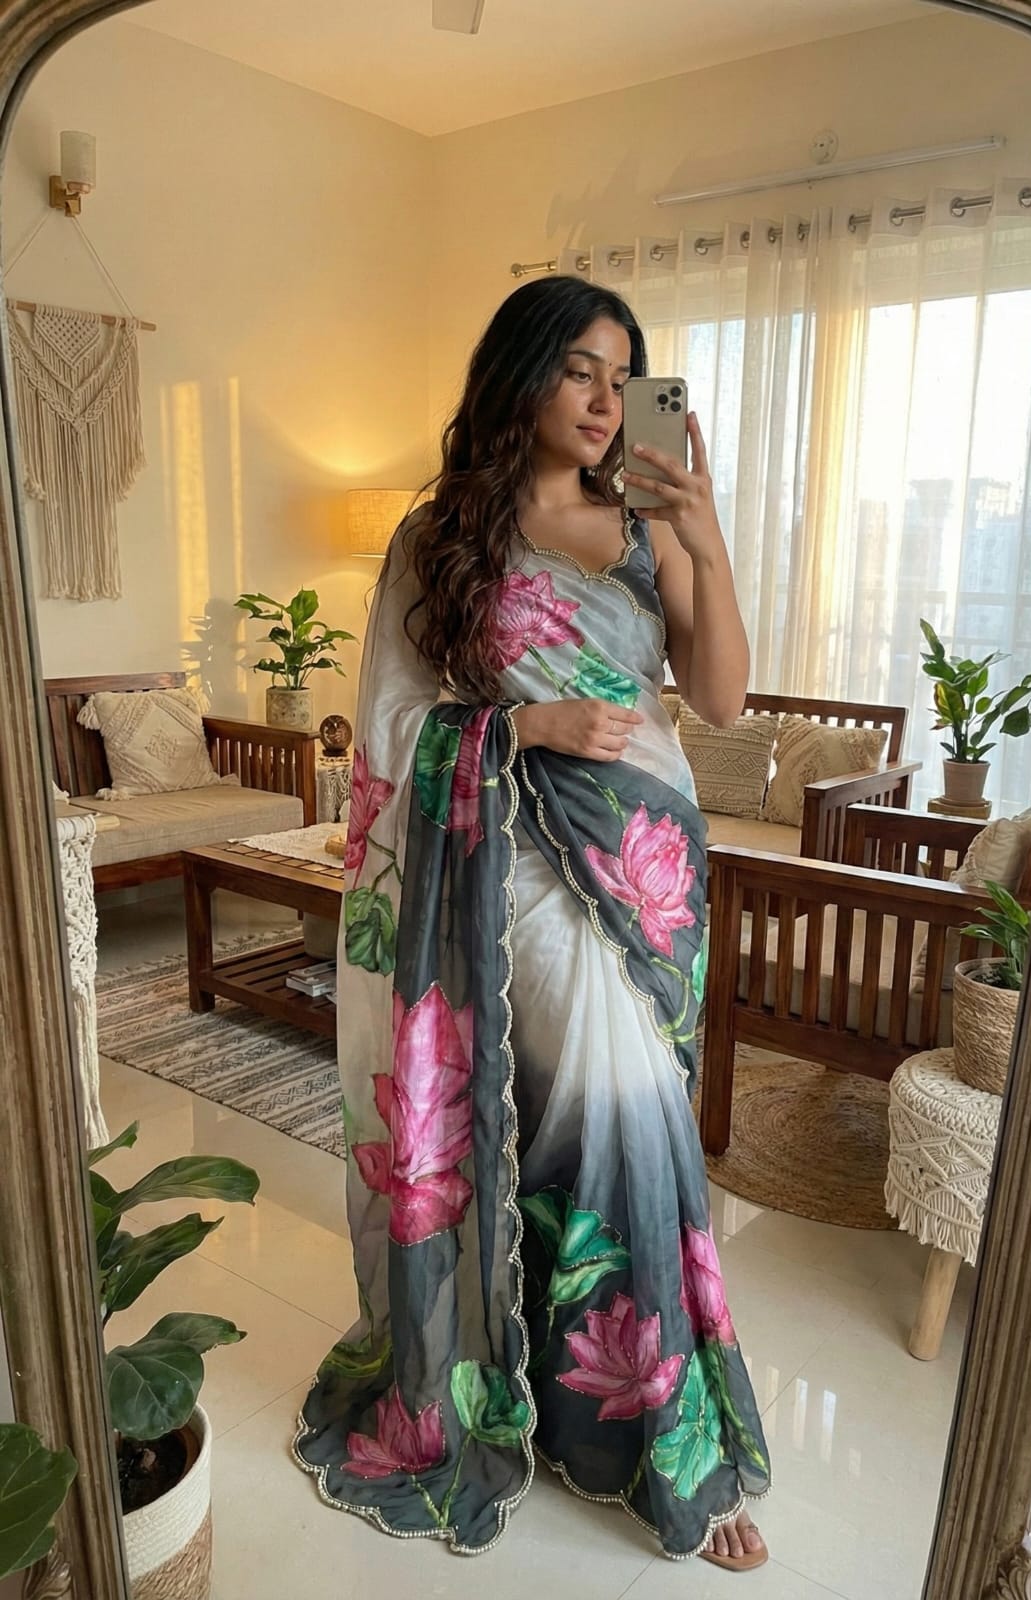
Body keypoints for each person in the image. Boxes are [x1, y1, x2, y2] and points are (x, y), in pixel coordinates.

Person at [294, 275, 771, 1570]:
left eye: (624, 376)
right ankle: (656, 1435)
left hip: (653, 872)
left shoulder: (645, 523)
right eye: (578, 371)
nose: (607, 401)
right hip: (518, 862)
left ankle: (583, 1400)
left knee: (618, 1123)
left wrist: (706, 531)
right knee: (614, 1120)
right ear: (521, 374)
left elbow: (721, 698)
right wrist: (526, 725)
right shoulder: (443, 533)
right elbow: (393, 728)